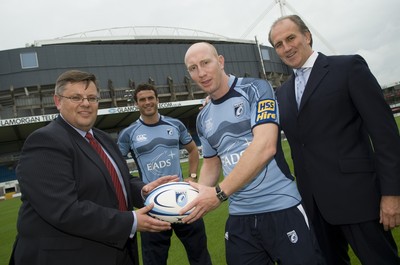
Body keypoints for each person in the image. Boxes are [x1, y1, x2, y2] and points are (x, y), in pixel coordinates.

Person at [9, 70, 178, 265]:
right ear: (58, 101)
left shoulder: (102, 138)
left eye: (92, 97)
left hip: (118, 251)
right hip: (68, 257)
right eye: (76, 97)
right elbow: (64, 210)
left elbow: (120, 180)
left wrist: (144, 191)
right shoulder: (45, 141)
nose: (86, 103)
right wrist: (130, 221)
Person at [268, 15, 400, 265]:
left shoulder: (348, 68)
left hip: (359, 199)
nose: (286, 47)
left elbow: (385, 135)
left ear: (307, 36)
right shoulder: (282, 93)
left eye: (291, 38)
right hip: (314, 208)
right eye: (278, 44)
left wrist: (392, 193)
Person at [180, 42, 325, 265]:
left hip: (282, 207)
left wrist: (218, 194)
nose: (201, 73)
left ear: (220, 61)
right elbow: (211, 163)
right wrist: (195, 197)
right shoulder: (202, 117)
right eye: (193, 68)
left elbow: (266, 145)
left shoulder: (256, 89)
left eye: (205, 63)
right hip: (240, 217)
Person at [117, 83, 212, 265]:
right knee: (154, 261)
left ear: (157, 100)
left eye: (151, 98)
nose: (147, 102)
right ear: (137, 104)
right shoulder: (128, 133)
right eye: (142, 99)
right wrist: (138, 188)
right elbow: (118, 165)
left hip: (183, 201)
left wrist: (192, 177)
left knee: (200, 256)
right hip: (153, 205)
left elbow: (193, 151)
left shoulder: (175, 124)